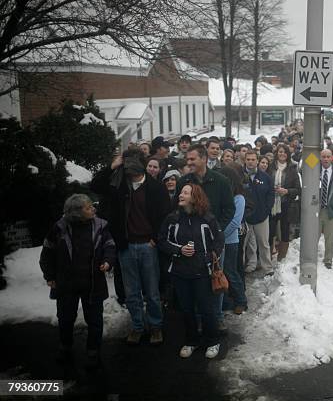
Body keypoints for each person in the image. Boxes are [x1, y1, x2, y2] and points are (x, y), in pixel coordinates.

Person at [90, 149, 170, 345]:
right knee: (131, 292)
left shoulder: (155, 188)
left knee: (151, 291)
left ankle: (156, 326)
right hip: (126, 246)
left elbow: (165, 217)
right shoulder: (119, 185)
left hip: (148, 245)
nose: (128, 168)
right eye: (125, 163)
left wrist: (155, 239)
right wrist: (112, 166)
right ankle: (137, 326)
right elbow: (95, 185)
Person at [40, 194, 116, 368]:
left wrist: (108, 261)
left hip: (92, 282)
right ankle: (65, 347)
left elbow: (110, 245)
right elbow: (46, 253)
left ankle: (93, 351)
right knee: (65, 319)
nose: (93, 209)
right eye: (89, 207)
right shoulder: (59, 228)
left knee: (95, 320)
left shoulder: (100, 226)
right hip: (66, 283)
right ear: (77, 213)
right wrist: (49, 276)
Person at [158, 184, 224, 359]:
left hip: (202, 272)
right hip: (180, 272)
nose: (181, 195)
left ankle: (212, 340)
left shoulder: (207, 219)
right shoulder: (172, 219)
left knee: (206, 308)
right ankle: (191, 340)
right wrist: (179, 250)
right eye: (181, 192)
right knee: (186, 309)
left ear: (195, 197)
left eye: (186, 193)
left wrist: (207, 258)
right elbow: (162, 241)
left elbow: (218, 241)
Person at [174, 144, 235, 232]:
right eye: (187, 159)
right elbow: (177, 208)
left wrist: (217, 228)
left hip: (213, 236)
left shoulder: (221, 181)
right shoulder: (183, 182)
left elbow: (229, 209)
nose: (188, 163)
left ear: (204, 159)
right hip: (188, 235)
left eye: (192, 159)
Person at [218, 164, 248, 314]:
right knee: (220, 272)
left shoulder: (239, 198)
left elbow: (235, 222)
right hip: (219, 240)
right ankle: (225, 301)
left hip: (230, 241)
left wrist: (219, 235)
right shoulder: (223, 196)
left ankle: (241, 301)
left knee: (230, 271)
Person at [243, 151, 275, 275]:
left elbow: (270, 195)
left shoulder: (265, 177)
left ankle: (267, 267)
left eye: (253, 159)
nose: (250, 162)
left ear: (257, 161)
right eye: (248, 159)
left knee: (263, 243)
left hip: (261, 216)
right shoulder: (240, 175)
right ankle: (250, 264)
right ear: (245, 160)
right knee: (246, 244)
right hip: (245, 218)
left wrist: (266, 210)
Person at [267, 144, 301, 261]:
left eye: (285, 152)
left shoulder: (292, 169)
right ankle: (269, 254)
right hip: (271, 204)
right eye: (280, 152)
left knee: (284, 230)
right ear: (277, 153)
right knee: (270, 231)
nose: (282, 154)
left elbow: (298, 189)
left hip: (286, 204)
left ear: (288, 155)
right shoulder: (270, 167)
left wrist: (286, 191)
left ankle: (282, 257)